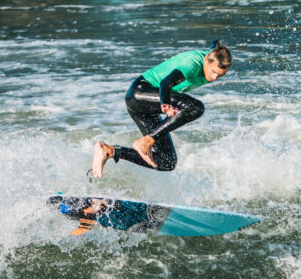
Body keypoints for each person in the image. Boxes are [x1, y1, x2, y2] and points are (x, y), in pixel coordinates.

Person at [92, 42, 231, 178]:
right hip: (140, 92)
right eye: (213, 72)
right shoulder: (191, 65)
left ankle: (109, 151)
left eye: (220, 75)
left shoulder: (214, 56)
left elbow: (215, 47)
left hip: (147, 107)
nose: (214, 78)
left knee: (167, 161)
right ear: (206, 59)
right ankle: (146, 141)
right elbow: (165, 83)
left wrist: (216, 43)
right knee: (195, 107)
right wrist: (165, 104)